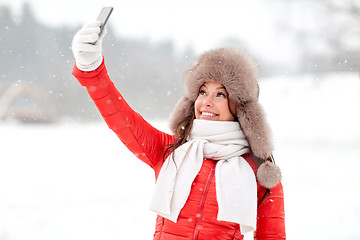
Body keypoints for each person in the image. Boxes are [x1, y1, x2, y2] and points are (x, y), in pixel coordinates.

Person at [71, 21, 286, 240]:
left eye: (220, 94)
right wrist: (92, 69)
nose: (207, 102)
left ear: (240, 106)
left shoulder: (261, 172)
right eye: (202, 92)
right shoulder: (170, 151)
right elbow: (121, 119)